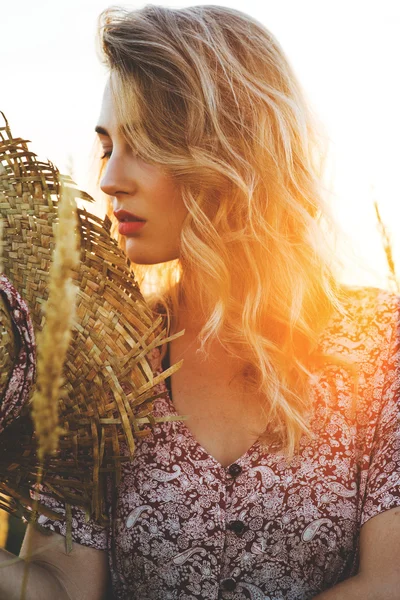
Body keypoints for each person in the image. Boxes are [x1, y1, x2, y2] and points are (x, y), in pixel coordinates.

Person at [2, 4, 400, 599]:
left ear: (233, 153)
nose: (109, 177)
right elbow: (64, 585)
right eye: (109, 145)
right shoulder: (105, 365)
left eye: (144, 144)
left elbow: (390, 581)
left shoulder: (379, 342)